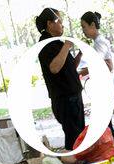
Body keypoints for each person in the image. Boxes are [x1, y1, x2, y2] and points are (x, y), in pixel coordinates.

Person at [36, 8, 85, 150]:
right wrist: (67, 46)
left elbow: (70, 67)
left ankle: (78, 160)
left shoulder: (58, 43)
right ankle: (71, 162)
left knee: (79, 137)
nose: (62, 25)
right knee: (74, 140)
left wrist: (80, 54)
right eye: (60, 21)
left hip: (73, 95)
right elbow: (54, 68)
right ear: (50, 23)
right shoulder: (46, 44)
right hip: (65, 99)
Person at [80, 11, 114, 142]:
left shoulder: (100, 42)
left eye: (84, 27)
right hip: (103, 85)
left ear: (92, 25)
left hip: (104, 86)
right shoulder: (98, 41)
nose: (83, 30)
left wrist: (80, 73)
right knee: (106, 122)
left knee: (105, 122)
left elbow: (97, 64)